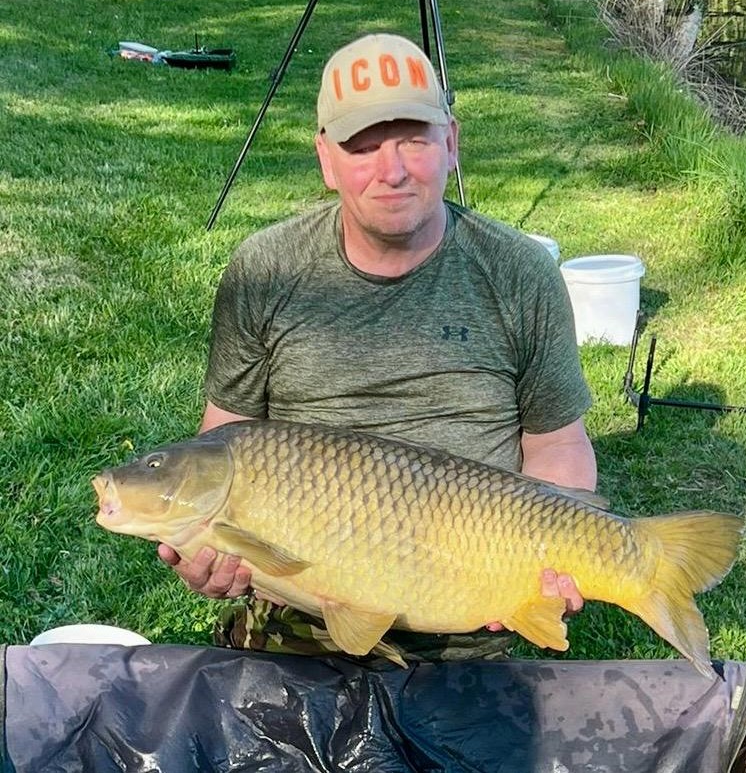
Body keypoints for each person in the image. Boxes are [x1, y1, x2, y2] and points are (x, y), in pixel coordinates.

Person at [159, 32, 597, 661]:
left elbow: (558, 446)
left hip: (473, 609)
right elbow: (222, 439)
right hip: (298, 618)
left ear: (451, 143)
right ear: (325, 159)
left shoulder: (519, 273)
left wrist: (556, 556)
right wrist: (209, 549)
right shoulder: (265, 271)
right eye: (362, 146)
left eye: (413, 140)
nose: (391, 170)